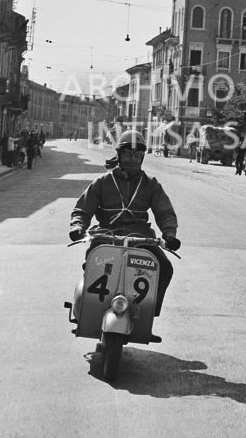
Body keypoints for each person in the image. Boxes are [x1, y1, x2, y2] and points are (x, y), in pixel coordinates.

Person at [69, 131, 181, 321]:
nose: (133, 159)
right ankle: (89, 310)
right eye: (129, 154)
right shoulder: (103, 182)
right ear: (119, 155)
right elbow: (82, 209)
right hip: (106, 236)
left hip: (141, 237)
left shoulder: (150, 184)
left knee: (164, 266)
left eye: (138, 155)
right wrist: (77, 227)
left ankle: (147, 313)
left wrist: (169, 234)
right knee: (92, 262)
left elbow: (165, 212)